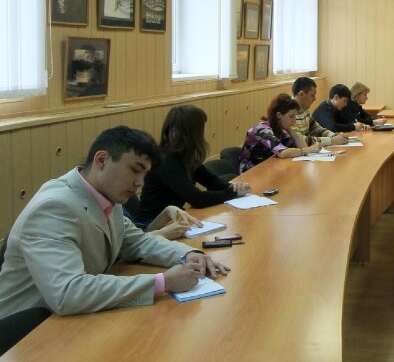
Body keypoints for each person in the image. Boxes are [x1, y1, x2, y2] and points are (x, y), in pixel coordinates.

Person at [0, 126, 229, 319]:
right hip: (25, 333)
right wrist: (162, 282)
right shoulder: (54, 207)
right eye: (135, 170)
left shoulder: (106, 195)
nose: (140, 183)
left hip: (72, 318)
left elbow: (137, 242)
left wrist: (187, 254)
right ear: (101, 160)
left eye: (144, 174)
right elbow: (68, 293)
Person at [138, 105, 251, 222]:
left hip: (174, 219)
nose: (205, 131)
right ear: (193, 131)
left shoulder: (183, 155)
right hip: (154, 224)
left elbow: (211, 180)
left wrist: (233, 187)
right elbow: (197, 199)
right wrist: (233, 193)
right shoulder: (166, 160)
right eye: (203, 127)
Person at [239, 93, 321, 174]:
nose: (294, 121)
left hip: (268, 170)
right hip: (249, 174)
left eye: (295, 116)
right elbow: (282, 153)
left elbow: (302, 147)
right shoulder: (262, 129)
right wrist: (309, 150)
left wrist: (290, 130)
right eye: (291, 116)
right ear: (279, 115)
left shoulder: (281, 130)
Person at [292, 77, 357, 142]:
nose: (314, 99)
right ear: (301, 94)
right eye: (312, 95)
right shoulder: (290, 114)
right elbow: (300, 140)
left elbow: (317, 129)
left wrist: (334, 135)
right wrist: (331, 141)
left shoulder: (305, 110)